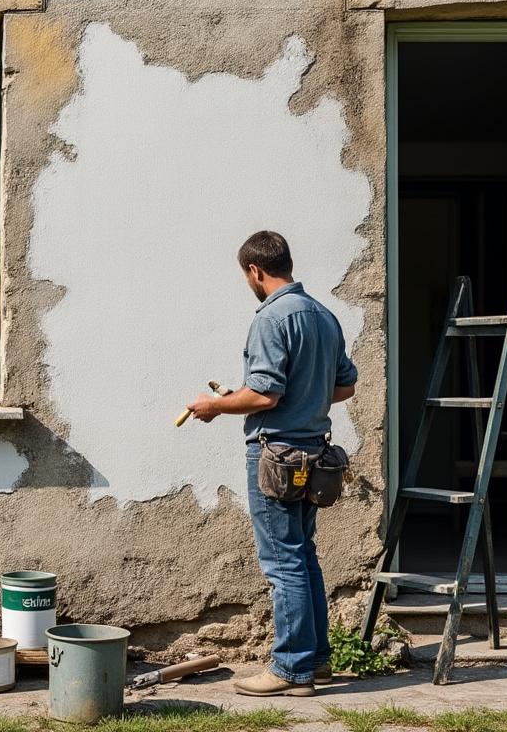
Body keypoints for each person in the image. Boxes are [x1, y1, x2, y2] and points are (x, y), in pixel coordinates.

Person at [185, 230, 358, 697]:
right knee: (303, 557)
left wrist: (215, 406)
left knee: (283, 564)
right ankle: (316, 663)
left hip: (276, 454)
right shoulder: (323, 315)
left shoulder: (271, 318)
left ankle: (291, 670)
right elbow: (345, 387)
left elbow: (264, 392)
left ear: (255, 271)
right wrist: (308, 395)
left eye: (247, 276)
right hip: (315, 454)